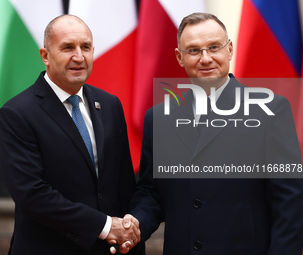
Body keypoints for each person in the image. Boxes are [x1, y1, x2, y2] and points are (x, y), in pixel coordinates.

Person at [129, 12, 303, 254]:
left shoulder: (270, 110)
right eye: (194, 50)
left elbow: (290, 202)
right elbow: (151, 192)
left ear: (230, 50)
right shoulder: (158, 118)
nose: (206, 58)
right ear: (179, 58)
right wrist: (135, 223)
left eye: (214, 47)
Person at [0, 14, 143, 255]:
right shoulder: (16, 114)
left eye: (85, 47)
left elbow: (123, 184)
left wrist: (129, 235)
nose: (79, 56)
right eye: (67, 47)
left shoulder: (110, 105)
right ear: (45, 55)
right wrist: (106, 227)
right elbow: (33, 195)